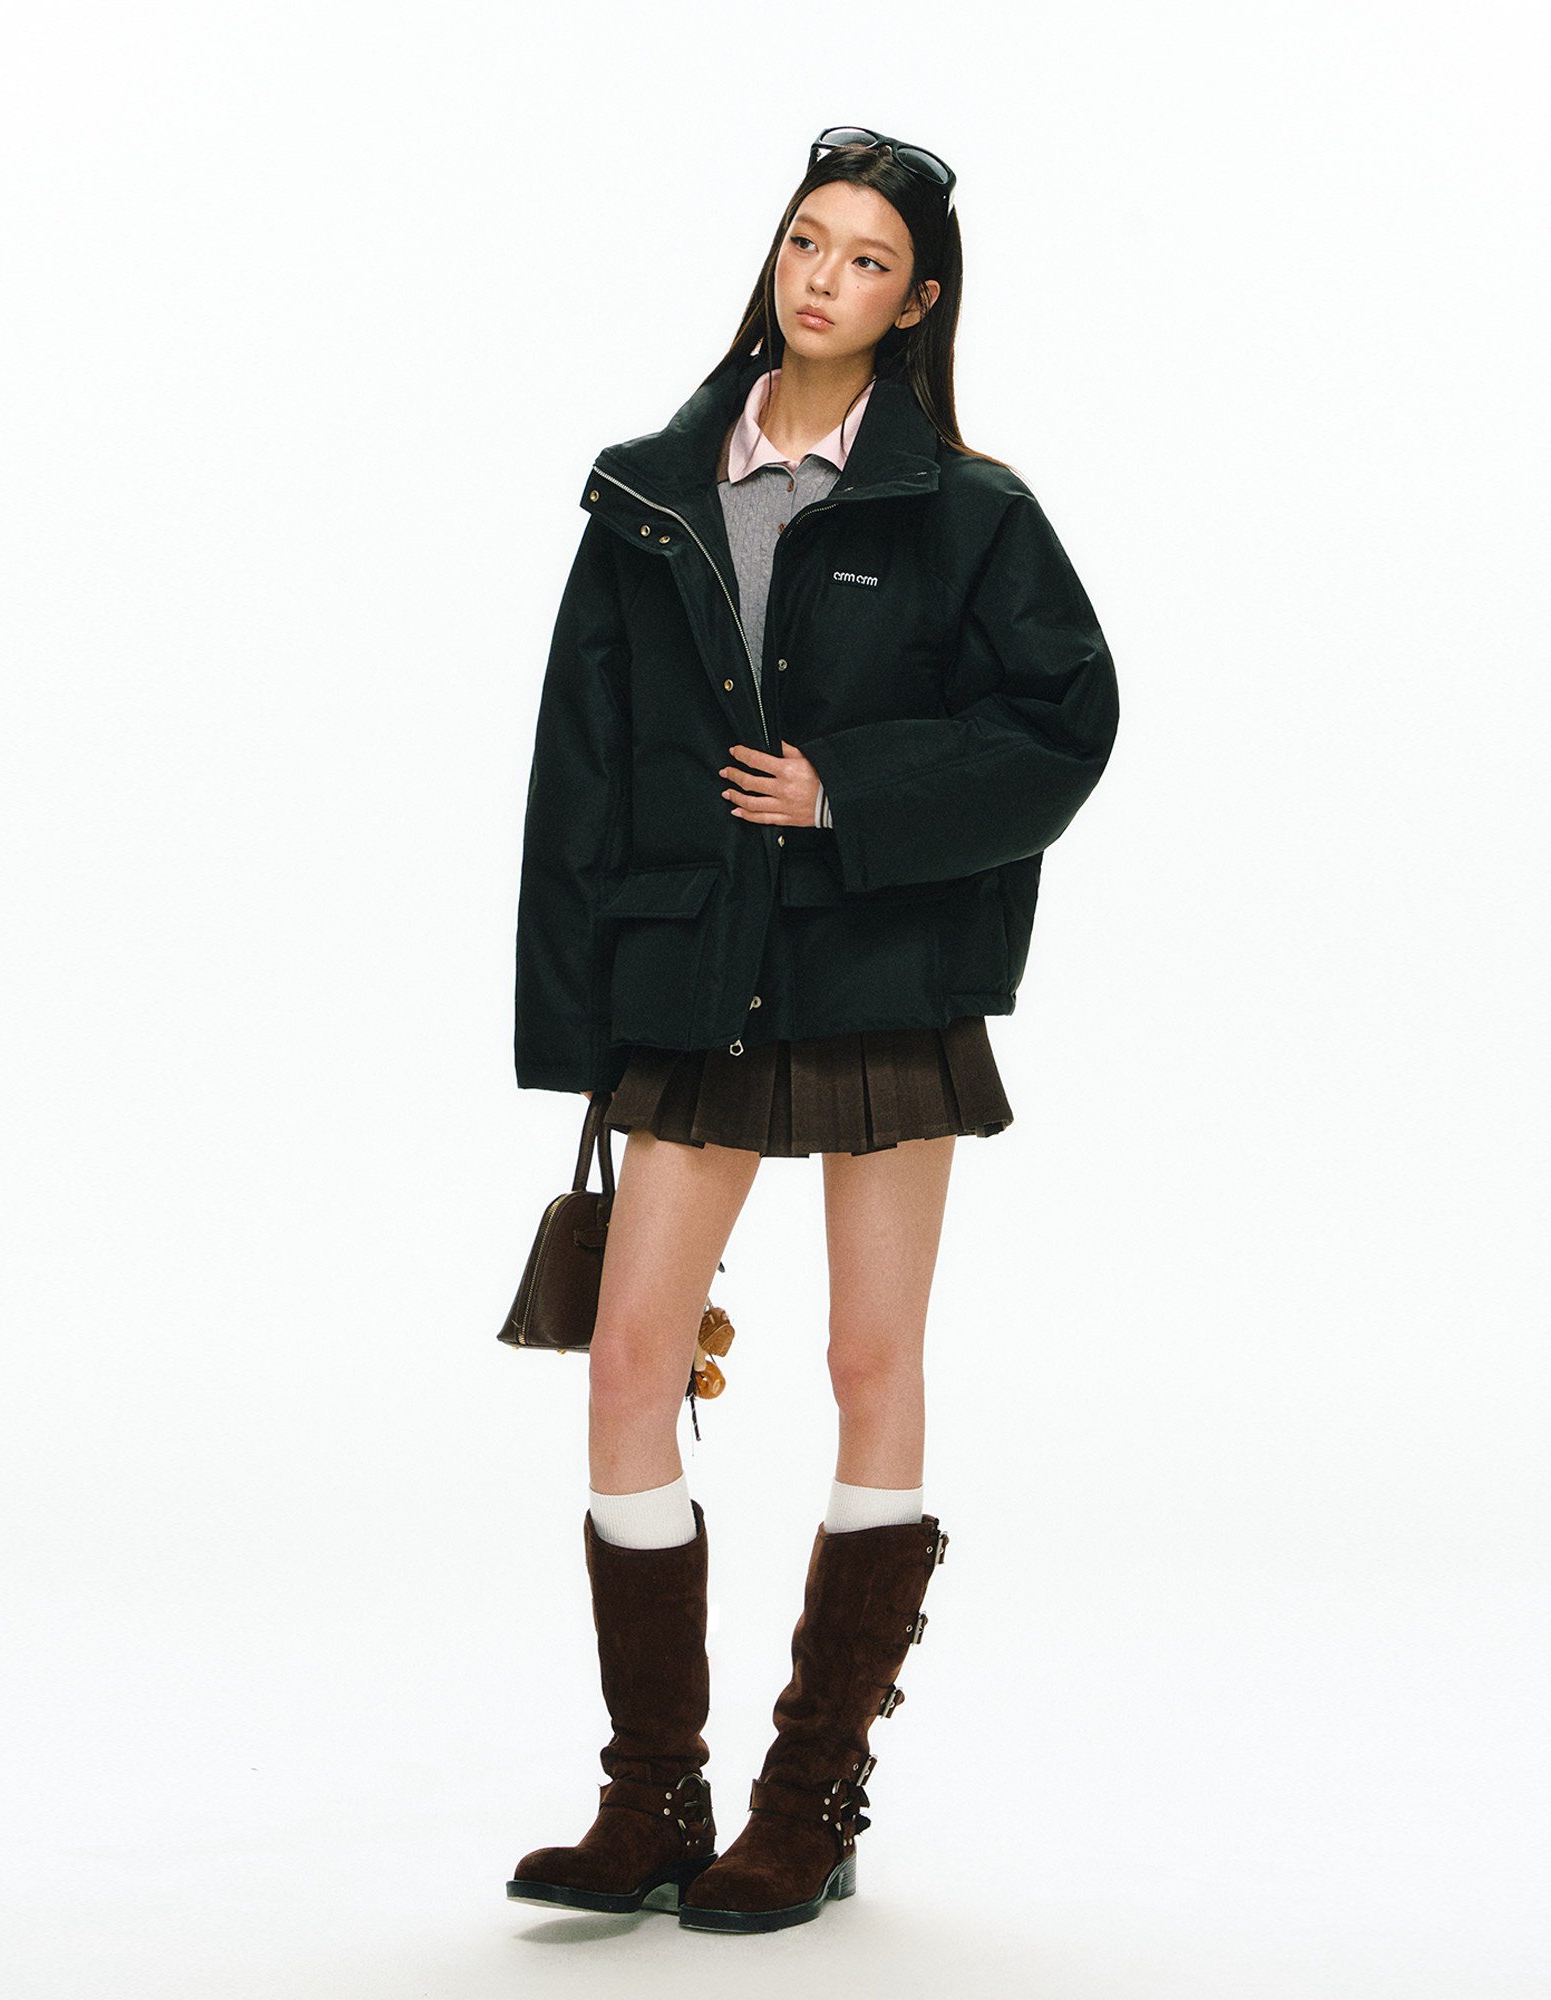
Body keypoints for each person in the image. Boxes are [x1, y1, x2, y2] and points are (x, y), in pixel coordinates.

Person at [507, 126, 1118, 1933]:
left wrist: (847, 788)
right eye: (805, 242)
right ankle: (652, 1797)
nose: (823, 278)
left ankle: (812, 1795)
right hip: (693, 975)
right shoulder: (649, 495)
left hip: (877, 977)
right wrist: (575, 1027)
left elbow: (1064, 724)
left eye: (865, 259)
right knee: (631, 1362)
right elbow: (579, 769)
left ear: (916, 302)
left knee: (868, 1361)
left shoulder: (971, 512)